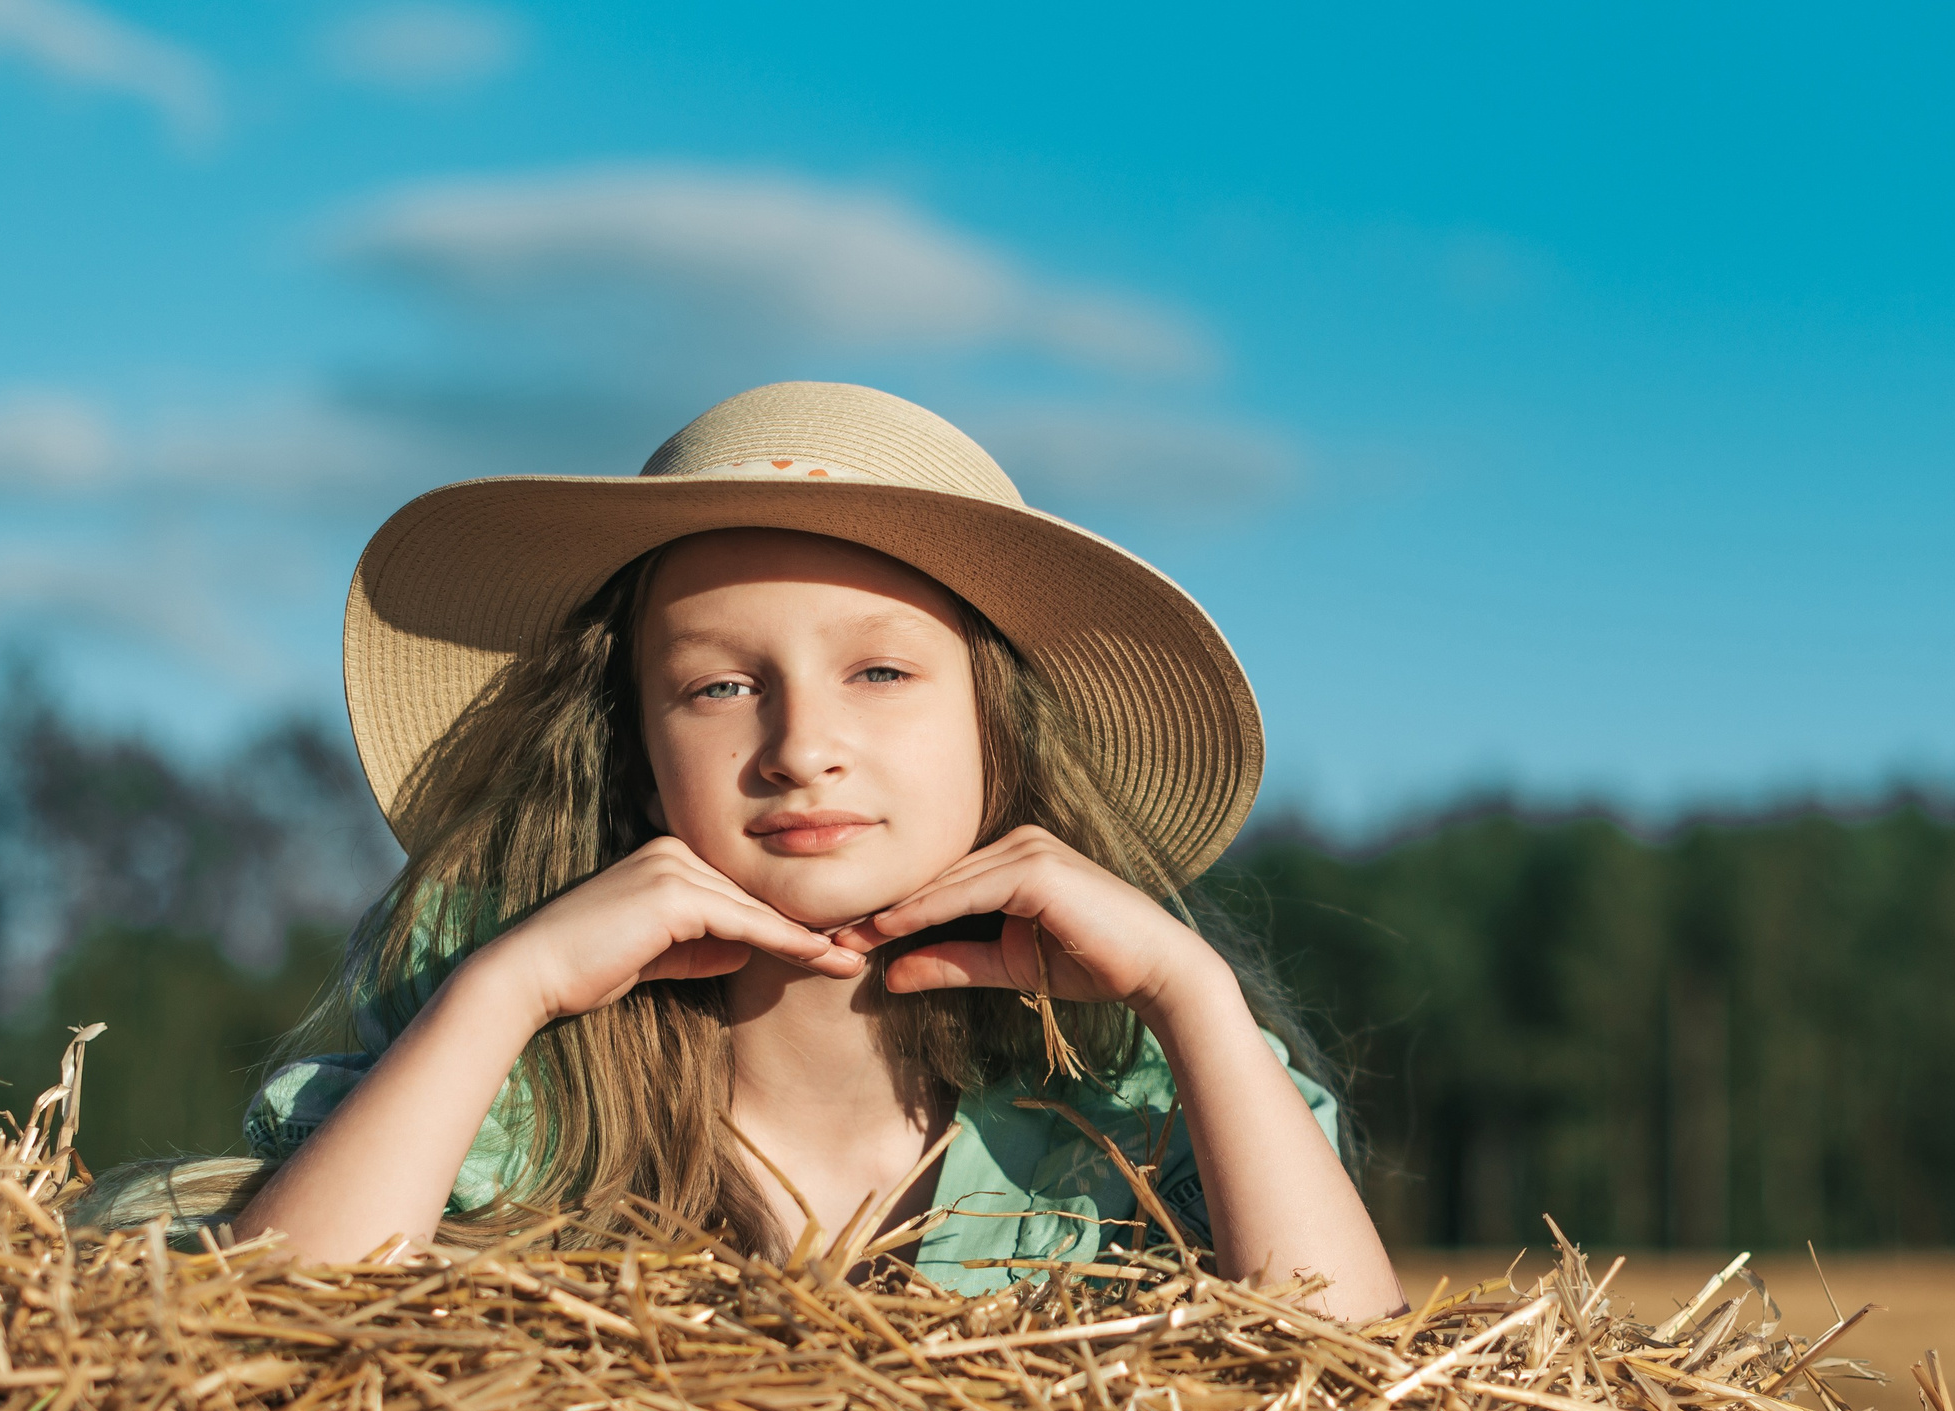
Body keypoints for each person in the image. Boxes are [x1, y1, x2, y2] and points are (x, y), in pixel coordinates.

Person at [81, 382, 1403, 1320]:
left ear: (1001, 738)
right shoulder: (524, 1091)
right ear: (632, 751)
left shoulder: (1126, 1105)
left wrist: (1195, 999)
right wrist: (507, 990)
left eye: (881, 671)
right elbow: (251, 1345)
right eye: (719, 688)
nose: (800, 746)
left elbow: (1355, 1405)